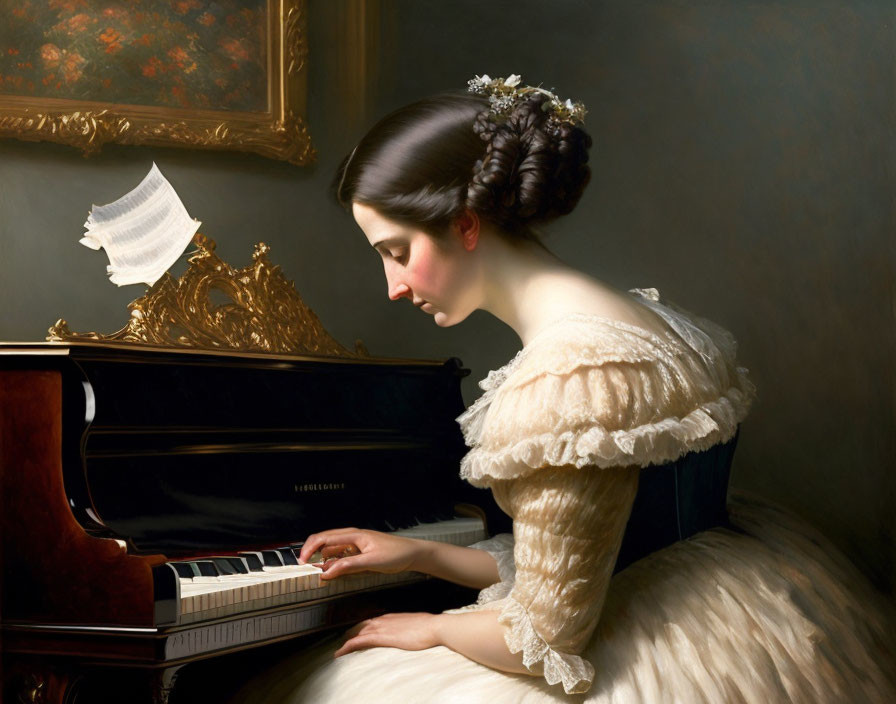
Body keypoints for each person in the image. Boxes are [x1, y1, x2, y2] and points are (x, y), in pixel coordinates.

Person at [228, 75, 895, 703]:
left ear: (465, 222)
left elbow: (543, 639)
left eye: (396, 250)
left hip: (651, 650)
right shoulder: (656, 326)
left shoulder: (568, 381)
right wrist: (424, 554)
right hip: (743, 596)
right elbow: (607, 545)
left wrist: (432, 628)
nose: (393, 286)